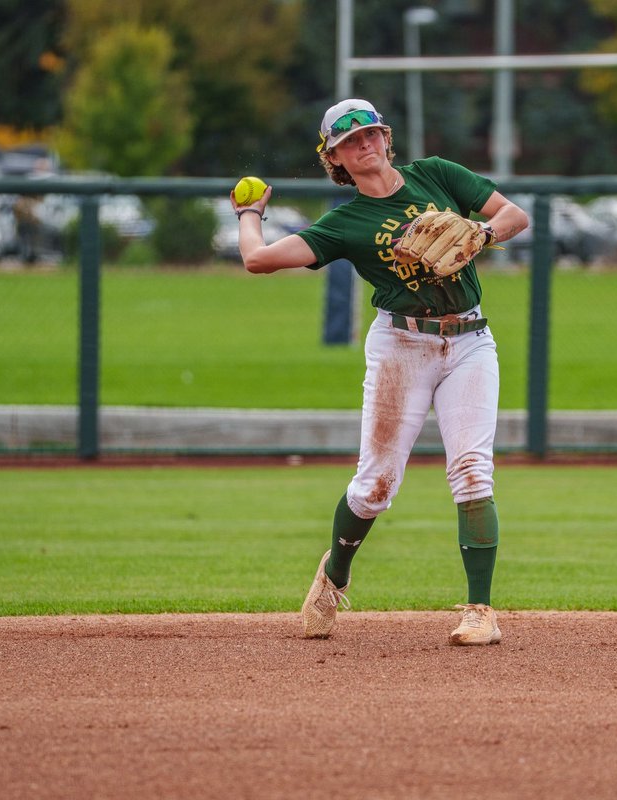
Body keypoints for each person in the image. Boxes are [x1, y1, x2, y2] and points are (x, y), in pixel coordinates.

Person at [230, 98, 529, 646]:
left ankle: (480, 612)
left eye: (370, 133)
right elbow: (258, 260)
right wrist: (250, 215)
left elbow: (514, 215)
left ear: (386, 138)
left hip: (470, 340)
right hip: (401, 346)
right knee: (374, 487)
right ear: (335, 159)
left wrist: (480, 233)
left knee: (472, 471)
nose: (363, 144)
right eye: (348, 142)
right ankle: (334, 576)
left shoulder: (436, 175)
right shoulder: (345, 224)